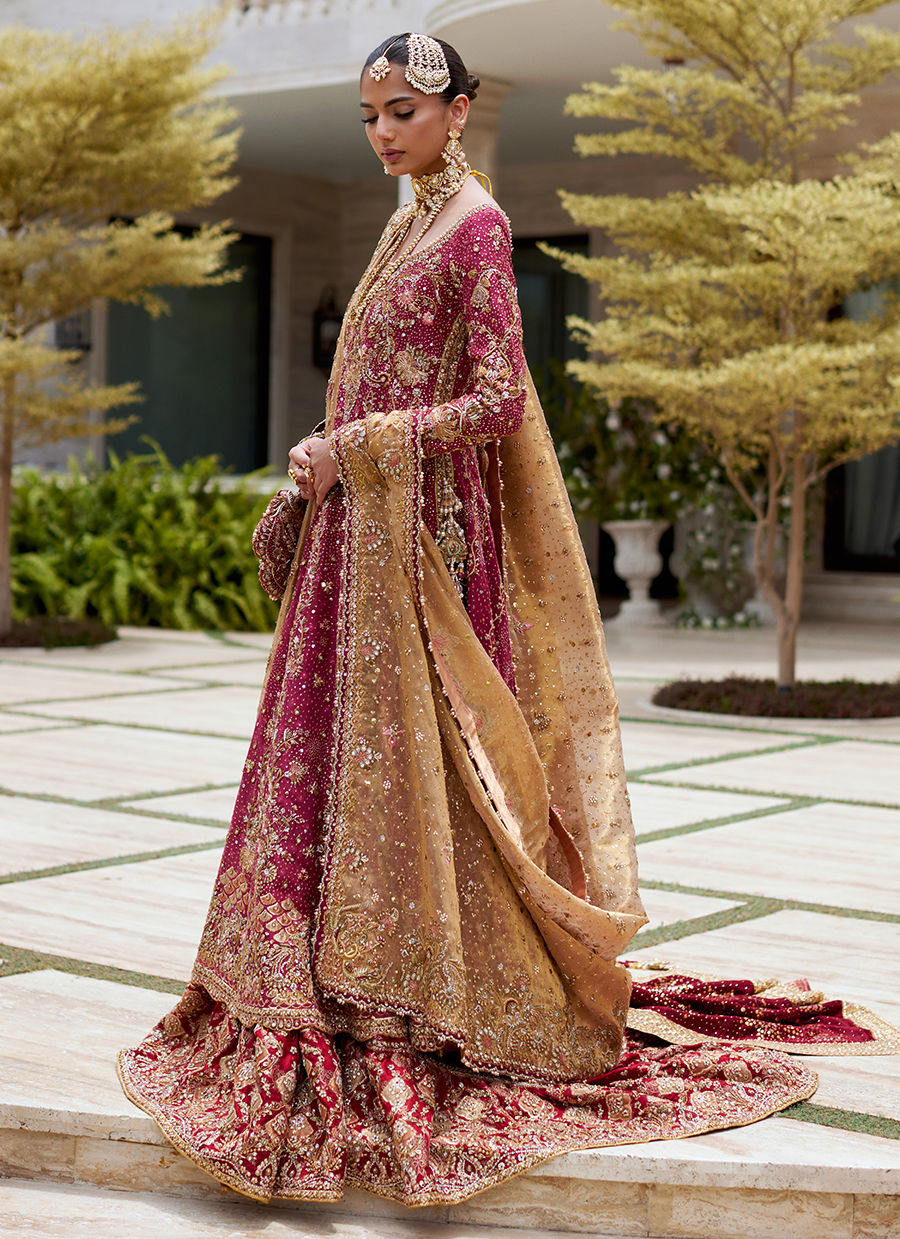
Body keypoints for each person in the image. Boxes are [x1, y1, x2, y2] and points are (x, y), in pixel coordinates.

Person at [117, 32, 898, 1207]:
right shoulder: (404, 221)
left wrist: (360, 445)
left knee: (429, 766)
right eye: (370, 115)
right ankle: (318, 977)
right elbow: (382, 377)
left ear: (459, 110)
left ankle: (426, 992)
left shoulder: (475, 225)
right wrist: (328, 459)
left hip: (421, 550)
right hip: (361, 538)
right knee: (343, 757)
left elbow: (494, 402)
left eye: (403, 111)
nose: (383, 132)